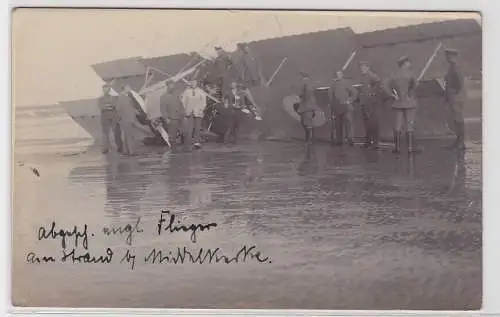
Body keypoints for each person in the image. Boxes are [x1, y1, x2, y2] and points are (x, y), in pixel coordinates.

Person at [384, 56, 422, 154]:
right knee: (409, 125)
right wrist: (410, 92)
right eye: (408, 62)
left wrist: (392, 95)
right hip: (409, 102)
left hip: (398, 103)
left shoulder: (394, 74)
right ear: (405, 63)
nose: (410, 64)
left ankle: (397, 148)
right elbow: (416, 84)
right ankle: (410, 148)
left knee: (398, 125)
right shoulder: (410, 73)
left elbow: (385, 85)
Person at [443, 48, 466, 151]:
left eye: (448, 55)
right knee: (457, 120)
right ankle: (459, 142)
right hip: (455, 96)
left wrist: (455, 92)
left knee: (458, 120)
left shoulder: (455, 66)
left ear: (452, 56)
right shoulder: (453, 66)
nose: (446, 57)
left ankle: (460, 143)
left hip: (456, 97)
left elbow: (459, 82)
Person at [329, 70, 358, 146]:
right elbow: (330, 95)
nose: (338, 76)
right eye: (336, 74)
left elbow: (355, 92)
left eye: (339, 74)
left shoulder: (346, 82)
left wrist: (350, 100)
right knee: (338, 124)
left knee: (348, 123)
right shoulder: (333, 84)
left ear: (342, 75)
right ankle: (339, 140)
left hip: (346, 107)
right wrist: (332, 104)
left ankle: (350, 140)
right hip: (337, 107)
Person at [359, 61, 383, 149]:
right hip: (364, 102)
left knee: (372, 122)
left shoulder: (371, 75)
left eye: (364, 67)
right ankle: (368, 140)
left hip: (370, 102)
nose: (362, 69)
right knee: (367, 122)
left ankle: (375, 142)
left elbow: (378, 83)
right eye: (361, 68)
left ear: (368, 67)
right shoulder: (363, 76)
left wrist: (372, 93)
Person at [181, 80, 207, 149]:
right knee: (189, 128)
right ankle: (188, 142)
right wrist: (185, 110)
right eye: (192, 82)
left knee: (197, 127)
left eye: (194, 82)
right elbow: (183, 101)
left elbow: (204, 102)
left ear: (197, 83)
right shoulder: (186, 92)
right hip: (189, 111)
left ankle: (197, 142)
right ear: (190, 83)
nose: (193, 84)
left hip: (198, 111)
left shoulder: (200, 91)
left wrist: (201, 109)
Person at [115, 84, 141, 155]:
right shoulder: (121, 98)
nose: (130, 88)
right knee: (130, 136)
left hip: (130, 118)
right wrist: (121, 118)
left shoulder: (128, 97)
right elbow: (118, 109)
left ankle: (126, 151)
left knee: (127, 136)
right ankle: (131, 152)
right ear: (124, 89)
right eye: (128, 88)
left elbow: (130, 107)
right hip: (126, 119)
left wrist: (135, 111)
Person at [98, 83, 123, 154]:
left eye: (107, 89)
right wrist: (109, 106)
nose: (106, 91)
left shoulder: (113, 97)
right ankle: (106, 148)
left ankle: (120, 147)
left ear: (109, 90)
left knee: (117, 132)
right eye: (104, 89)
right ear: (103, 90)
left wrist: (107, 106)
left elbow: (114, 105)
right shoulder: (100, 99)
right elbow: (101, 107)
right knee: (105, 134)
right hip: (105, 117)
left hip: (114, 117)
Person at [294, 72, 317, 145]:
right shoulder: (309, 84)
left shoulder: (306, 85)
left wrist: (299, 96)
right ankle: (310, 139)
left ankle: (309, 140)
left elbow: (304, 95)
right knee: (308, 123)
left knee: (306, 123)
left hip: (306, 107)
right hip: (309, 106)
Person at [160, 81, 185, 149]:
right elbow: (163, 110)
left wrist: (183, 113)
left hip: (181, 116)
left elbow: (182, 104)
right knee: (172, 135)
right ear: (167, 86)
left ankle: (184, 148)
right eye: (170, 85)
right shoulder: (163, 97)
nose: (172, 87)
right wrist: (166, 118)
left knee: (184, 132)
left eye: (173, 85)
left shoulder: (177, 94)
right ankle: (173, 149)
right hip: (171, 118)